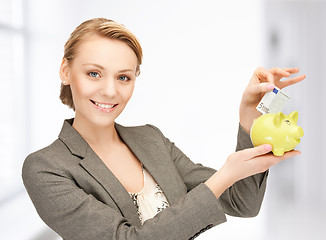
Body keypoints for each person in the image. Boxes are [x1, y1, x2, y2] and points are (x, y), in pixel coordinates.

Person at [22, 18, 305, 240]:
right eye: (94, 73)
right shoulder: (45, 167)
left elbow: (242, 202)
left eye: (123, 77)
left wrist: (248, 120)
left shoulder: (150, 139)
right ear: (65, 71)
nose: (109, 91)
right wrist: (224, 176)